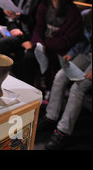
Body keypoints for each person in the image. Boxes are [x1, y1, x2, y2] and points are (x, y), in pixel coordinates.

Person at [12, 0, 82, 89]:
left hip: (59, 50)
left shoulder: (73, 13)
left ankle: (34, 91)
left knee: (30, 58)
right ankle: (23, 87)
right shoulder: (44, 6)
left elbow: (67, 40)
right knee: (21, 54)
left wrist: (43, 45)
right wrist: (38, 43)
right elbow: (38, 28)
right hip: (42, 45)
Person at [38, 9, 91, 150]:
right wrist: (71, 54)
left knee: (78, 87)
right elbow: (82, 41)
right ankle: (51, 116)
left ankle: (63, 131)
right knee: (61, 76)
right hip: (86, 54)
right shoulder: (87, 14)